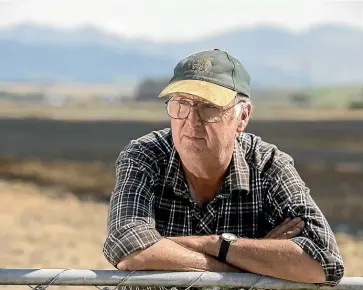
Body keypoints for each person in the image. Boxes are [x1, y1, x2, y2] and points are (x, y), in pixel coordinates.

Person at [103, 49, 344, 287]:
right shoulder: (146, 155)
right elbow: (127, 246)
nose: (192, 121)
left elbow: (325, 261)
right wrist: (245, 268)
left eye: (209, 107)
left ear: (243, 117)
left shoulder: (268, 165)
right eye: (181, 104)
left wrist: (215, 244)